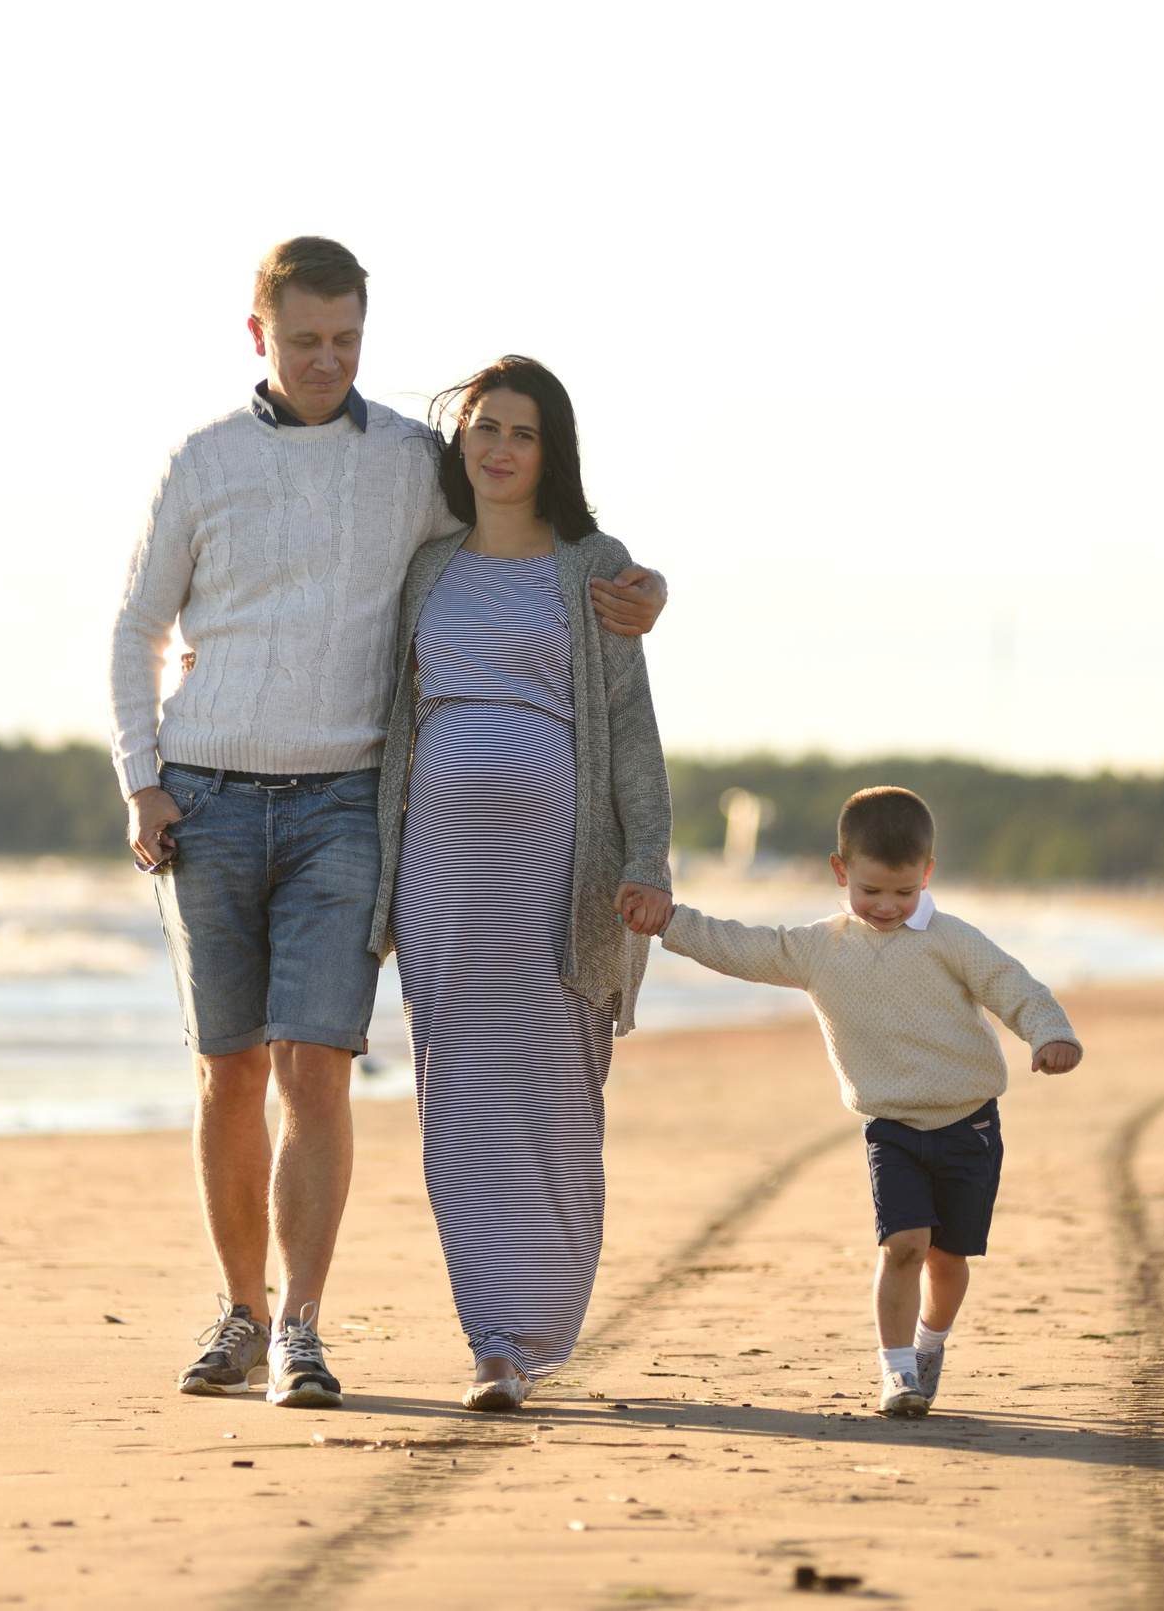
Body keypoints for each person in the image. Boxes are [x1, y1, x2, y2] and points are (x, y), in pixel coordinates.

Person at [108, 239, 667, 1407]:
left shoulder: (414, 460)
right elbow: (134, 628)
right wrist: (141, 778)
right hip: (214, 799)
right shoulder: (202, 464)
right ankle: (243, 1314)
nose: (326, 359)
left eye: (347, 338)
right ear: (257, 333)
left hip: (346, 807)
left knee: (318, 1064)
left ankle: (305, 1327)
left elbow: (558, 567)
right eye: (304, 337)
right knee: (229, 1069)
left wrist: (644, 588)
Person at [367, 356, 674, 1411]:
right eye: (483, 427)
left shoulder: (594, 566)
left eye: (521, 432)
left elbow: (630, 727)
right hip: (440, 876)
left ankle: (542, 1325)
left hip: (559, 876)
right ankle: (492, 1343)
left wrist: (644, 860)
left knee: (552, 1095)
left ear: (554, 452)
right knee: (455, 1096)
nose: (497, 447)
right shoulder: (426, 567)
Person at [630, 786, 1083, 1416]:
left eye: (904, 891)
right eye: (870, 891)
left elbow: (1014, 986)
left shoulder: (953, 939)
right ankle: (898, 1375)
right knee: (904, 1245)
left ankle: (931, 1343)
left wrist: (1051, 1032)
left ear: (927, 874)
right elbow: (744, 946)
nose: (888, 906)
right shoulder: (823, 948)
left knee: (948, 1262)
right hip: (891, 1126)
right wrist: (671, 921)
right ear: (841, 872)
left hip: (969, 1124)